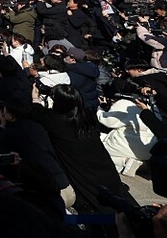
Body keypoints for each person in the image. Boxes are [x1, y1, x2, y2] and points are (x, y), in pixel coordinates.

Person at [30, 84, 131, 212]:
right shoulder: (88, 117)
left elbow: (36, 112)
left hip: (80, 172)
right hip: (103, 166)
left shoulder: (55, 120)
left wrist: (35, 98)